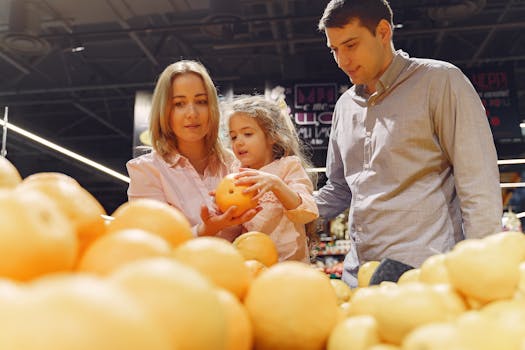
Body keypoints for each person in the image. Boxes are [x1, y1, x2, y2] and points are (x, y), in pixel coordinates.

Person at [315, 0, 502, 287]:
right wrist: (285, 205)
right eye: (334, 50)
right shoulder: (344, 106)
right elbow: (339, 188)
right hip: (359, 276)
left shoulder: (440, 82)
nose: (342, 61)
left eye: (350, 45)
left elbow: (478, 184)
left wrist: (483, 273)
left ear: (382, 32)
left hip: (425, 275)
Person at [126, 60, 260, 240]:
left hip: (244, 267)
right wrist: (205, 230)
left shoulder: (237, 164)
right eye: (179, 104)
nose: (192, 113)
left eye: (201, 101)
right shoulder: (146, 171)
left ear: (212, 107)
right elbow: (154, 242)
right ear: (164, 110)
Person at [223, 95, 319, 262]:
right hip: (252, 266)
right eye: (233, 136)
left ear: (272, 136)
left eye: (247, 133)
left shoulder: (288, 167)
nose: (238, 142)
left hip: (290, 268)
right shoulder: (236, 173)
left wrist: (276, 184)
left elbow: (307, 213)